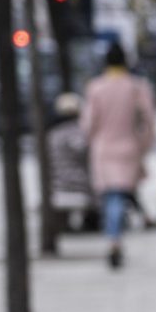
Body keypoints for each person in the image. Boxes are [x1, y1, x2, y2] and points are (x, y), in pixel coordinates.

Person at [82, 43, 156, 270]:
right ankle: (115, 238)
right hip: (128, 148)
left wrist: (91, 140)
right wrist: (143, 145)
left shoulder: (96, 88)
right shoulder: (137, 87)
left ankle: (113, 240)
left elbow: (88, 124)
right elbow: (149, 120)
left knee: (111, 196)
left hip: (103, 149)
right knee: (118, 196)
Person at [46, 92, 99, 232]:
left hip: (56, 184)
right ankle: (92, 222)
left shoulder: (52, 134)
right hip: (80, 184)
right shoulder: (79, 133)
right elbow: (85, 153)